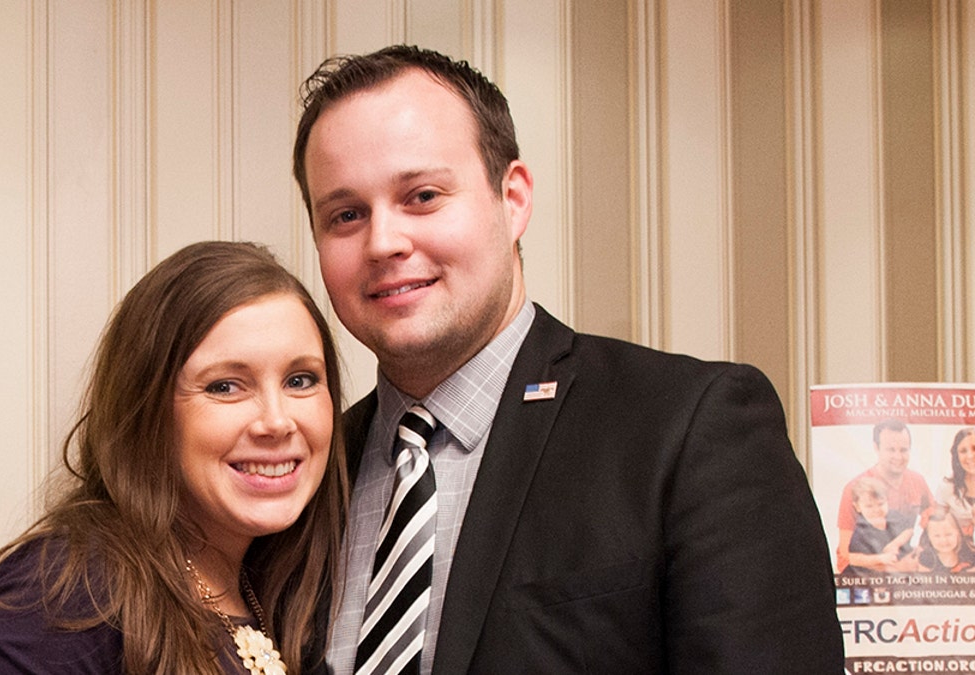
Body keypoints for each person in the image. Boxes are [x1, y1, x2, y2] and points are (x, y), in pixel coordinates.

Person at [293, 44, 842, 673]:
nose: (384, 241)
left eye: (422, 196)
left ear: (514, 197)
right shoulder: (305, 476)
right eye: (345, 215)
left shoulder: (689, 427)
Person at [0, 241, 346, 674]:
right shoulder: (71, 589)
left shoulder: (272, 590)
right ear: (147, 410)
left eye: (301, 379)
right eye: (225, 386)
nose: (277, 421)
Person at [835, 419, 934, 572]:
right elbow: (844, 555)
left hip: (908, 573)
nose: (898, 456)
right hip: (868, 577)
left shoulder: (917, 481)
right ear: (876, 448)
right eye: (891, 449)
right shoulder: (854, 489)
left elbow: (934, 520)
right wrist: (894, 567)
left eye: (903, 450)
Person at [842, 477, 914, 576]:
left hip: (897, 567)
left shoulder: (893, 516)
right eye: (869, 506)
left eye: (881, 504)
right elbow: (851, 558)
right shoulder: (859, 530)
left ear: (888, 501)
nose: (876, 510)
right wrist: (880, 558)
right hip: (869, 575)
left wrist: (895, 544)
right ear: (857, 507)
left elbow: (909, 530)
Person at [935, 427, 975, 539]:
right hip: (958, 550)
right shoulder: (947, 487)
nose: (970, 456)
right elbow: (936, 525)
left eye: (974, 448)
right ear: (956, 456)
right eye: (963, 451)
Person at [915, 507, 975, 574]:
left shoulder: (970, 558)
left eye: (948, 534)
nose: (944, 540)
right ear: (929, 537)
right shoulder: (926, 560)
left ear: (957, 533)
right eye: (937, 536)